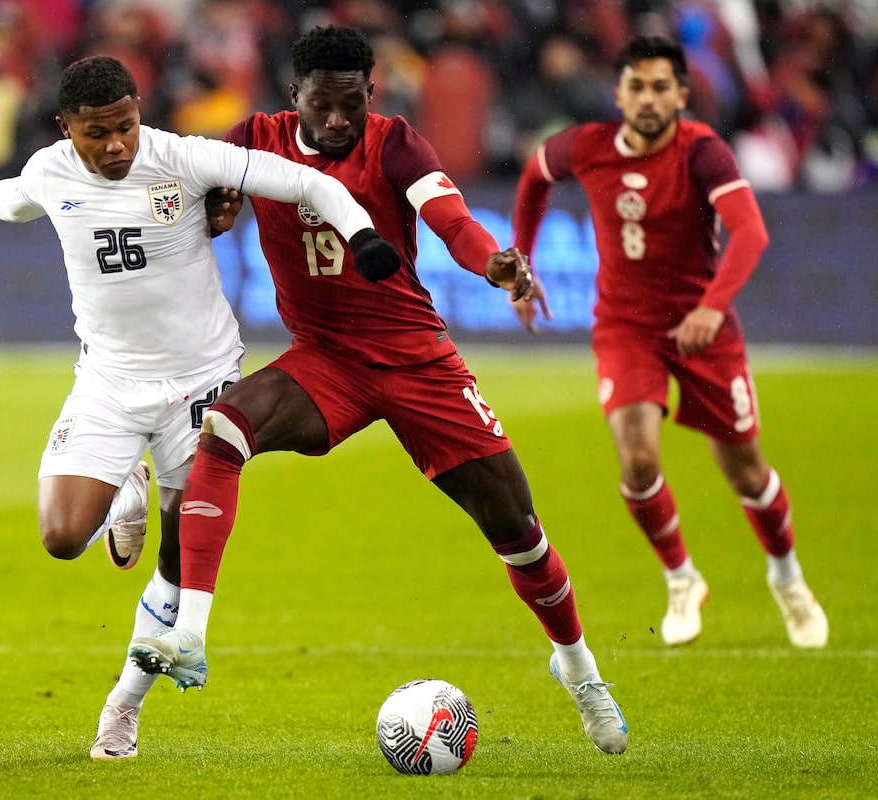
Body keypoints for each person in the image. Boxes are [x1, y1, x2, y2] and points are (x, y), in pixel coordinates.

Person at [127, 25, 629, 756]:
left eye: (351, 105)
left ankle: (579, 670)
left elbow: (452, 221)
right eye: (321, 106)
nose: (336, 122)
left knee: (517, 531)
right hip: (325, 361)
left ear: (373, 94)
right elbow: (189, 197)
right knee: (225, 430)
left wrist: (493, 263)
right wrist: (206, 211)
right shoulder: (252, 139)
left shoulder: (395, 143)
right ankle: (192, 635)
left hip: (414, 360)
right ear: (294, 95)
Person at [0, 54, 399, 760]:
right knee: (63, 537)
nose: (119, 144)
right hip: (109, 383)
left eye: (126, 125)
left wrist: (360, 232)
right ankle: (127, 484)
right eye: (99, 134)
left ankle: (122, 708)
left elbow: (304, 180)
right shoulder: (51, 171)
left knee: (182, 559)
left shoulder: (184, 158)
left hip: (203, 383)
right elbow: (14, 197)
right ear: (67, 130)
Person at [510, 35, 829, 650]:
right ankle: (682, 579)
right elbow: (533, 176)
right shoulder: (587, 146)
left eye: (661, 87)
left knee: (744, 468)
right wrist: (522, 263)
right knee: (637, 457)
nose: (649, 98)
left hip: (702, 329)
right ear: (619, 94)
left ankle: (788, 577)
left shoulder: (702, 153)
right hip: (626, 328)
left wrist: (711, 309)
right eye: (637, 87)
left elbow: (750, 233)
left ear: (682, 95)